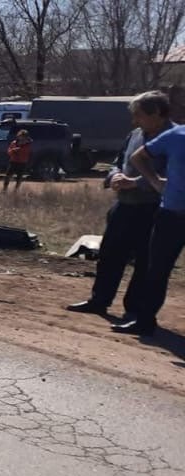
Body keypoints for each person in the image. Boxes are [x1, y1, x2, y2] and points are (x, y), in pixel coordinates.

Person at [67, 91, 173, 318]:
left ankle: (134, 310)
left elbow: (174, 175)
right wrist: (113, 176)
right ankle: (99, 300)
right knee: (110, 254)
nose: (135, 121)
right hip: (124, 205)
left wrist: (135, 183)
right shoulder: (135, 134)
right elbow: (118, 162)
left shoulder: (174, 137)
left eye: (139, 115)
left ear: (156, 114)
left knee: (145, 261)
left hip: (153, 208)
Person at [127, 104, 185, 336]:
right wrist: (154, 181)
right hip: (172, 214)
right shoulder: (176, 135)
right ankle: (144, 321)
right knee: (157, 269)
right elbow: (138, 157)